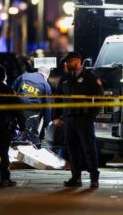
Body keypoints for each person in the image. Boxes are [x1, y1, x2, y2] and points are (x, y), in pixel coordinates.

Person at [53, 51, 104, 188]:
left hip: (84, 118)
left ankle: (94, 178)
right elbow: (57, 100)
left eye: (69, 62)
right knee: (72, 149)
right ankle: (76, 178)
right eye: (66, 63)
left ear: (77, 61)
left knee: (88, 148)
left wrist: (92, 114)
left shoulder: (90, 77)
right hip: (69, 119)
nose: (67, 65)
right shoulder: (65, 79)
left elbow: (100, 98)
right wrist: (56, 116)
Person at [12, 66, 52, 146]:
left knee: (16, 133)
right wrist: (47, 123)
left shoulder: (24, 76)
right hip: (32, 111)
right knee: (32, 137)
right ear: (46, 75)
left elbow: (12, 89)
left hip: (17, 108)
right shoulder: (45, 84)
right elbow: (47, 106)